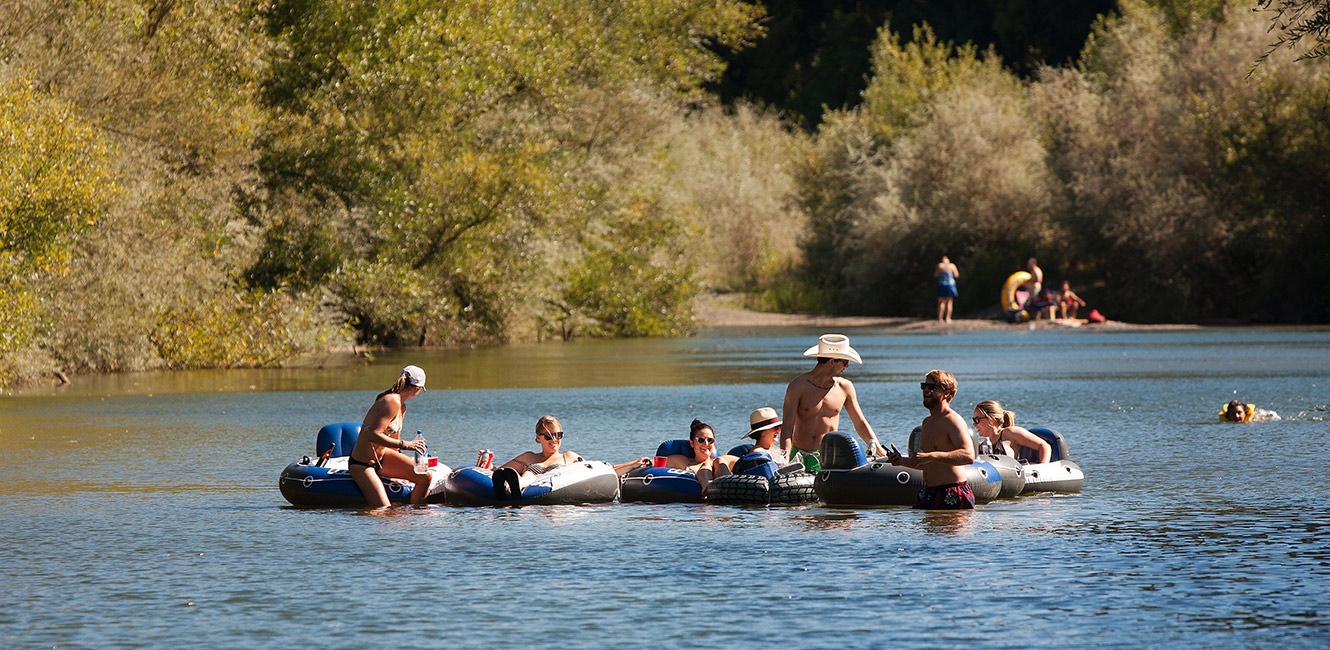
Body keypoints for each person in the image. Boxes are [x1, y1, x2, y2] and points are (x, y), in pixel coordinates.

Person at [782, 334, 887, 473]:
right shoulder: (797, 386)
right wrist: (785, 461)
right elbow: (787, 428)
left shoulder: (845, 387)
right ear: (831, 361)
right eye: (844, 362)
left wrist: (882, 453)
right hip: (800, 457)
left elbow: (860, 423)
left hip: (829, 458)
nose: (847, 366)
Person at [886, 370, 976, 509]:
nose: (926, 390)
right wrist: (901, 461)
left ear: (946, 393)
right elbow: (928, 464)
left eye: (932, 387)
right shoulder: (927, 423)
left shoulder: (952, 420)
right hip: (929, 492)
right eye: (924, 386)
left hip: (952, 492)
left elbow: (968, 456)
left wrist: (933, 455)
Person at [348, 365, 431, 507]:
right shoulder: (391, 401)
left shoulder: (402, 407)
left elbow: (393, 441)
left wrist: (400, 469)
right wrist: (406, 445)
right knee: (384, 508)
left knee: (425, 477)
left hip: (383, 458)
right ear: (417, 389)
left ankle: (417, 517)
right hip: (363, 464)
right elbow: (373, 435)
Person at [491, 415, 586, 500]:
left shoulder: (569, 456)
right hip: (531, 482)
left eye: (558, 435)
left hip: (555, 481)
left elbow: (590, 471)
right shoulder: (529, 457)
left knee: (546, 474)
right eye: (548, 436)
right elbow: (499, 471)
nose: (554, 439)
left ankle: (516, 486)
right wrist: (487, 462)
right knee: (530, 473)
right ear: (538, 437)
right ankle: (515, 487)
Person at [657, 419, 736, 495]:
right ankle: (708, 489)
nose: (706, 444)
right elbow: (658, 463)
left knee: (719, 461)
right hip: (703, 504)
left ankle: (731, 486)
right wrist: (647, 462)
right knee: (705, 466)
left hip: (727, 499)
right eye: (701, 440)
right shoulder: (684, 462)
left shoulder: (722, 460)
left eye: (710, 440)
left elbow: (745, 461)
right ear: (692, 443)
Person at [972, 400, 1051, 464]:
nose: (974, 424)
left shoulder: (1010, 434)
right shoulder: (981, 446)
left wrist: (1043, 466)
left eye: (977, 420)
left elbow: (1043, 446)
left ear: (991, 419)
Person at [731, 407, 791, 477]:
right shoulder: (758, 453)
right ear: (763, 432)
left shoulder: (772, 449)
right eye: (775, 428)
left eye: (779, 426)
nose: (779, 430)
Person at [935, 256, 959, 322]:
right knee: (949, 302)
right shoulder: (952, 266)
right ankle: (948, 318)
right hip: (950, 285)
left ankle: (940, 318)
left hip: (942, 284)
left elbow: (936, 275)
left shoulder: (940, 265)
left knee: (941, 302)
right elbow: (956, 275)